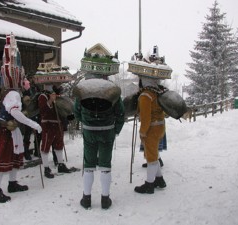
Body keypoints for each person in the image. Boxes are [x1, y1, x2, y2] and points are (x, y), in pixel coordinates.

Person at [0, 34, 42, 203]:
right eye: (23, 77)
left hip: (10, 130)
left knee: (14, 157)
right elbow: (16, 113)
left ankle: (12, 183)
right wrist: (33, 123)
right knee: (3, 160)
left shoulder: (12, 92)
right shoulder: (13, 93)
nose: (25, 80)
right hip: (6, 130)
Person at [73, 44, 125, 209]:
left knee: (88, 165)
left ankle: (86, 198)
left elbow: (76, 111)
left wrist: (85, 122)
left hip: (89, 131)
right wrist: (115, 130)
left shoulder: (83, 88)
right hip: (107, 131)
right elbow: (121, 114)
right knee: (105, 164)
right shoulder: (112, 90)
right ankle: (105, 199)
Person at [134, 76, 167, 194]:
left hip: (151, 129)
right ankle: (159, 179)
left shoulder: (145, 96)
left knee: (151, 157)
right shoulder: (157, 92)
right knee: (155, 154)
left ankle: (149, 184)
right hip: (160, 127)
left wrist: (142, 132)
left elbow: (146, 118)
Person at [38, 83, 71, 178]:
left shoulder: (58, 95)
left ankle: (60, 164)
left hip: (58, 124)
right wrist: (50, 101)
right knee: (45, 146)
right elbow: (43, 111)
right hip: (48, 124)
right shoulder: (42, 96)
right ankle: (46, 168)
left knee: (59, 144)